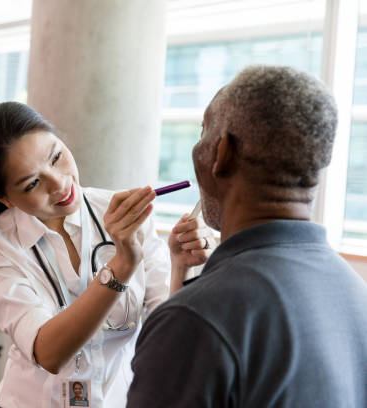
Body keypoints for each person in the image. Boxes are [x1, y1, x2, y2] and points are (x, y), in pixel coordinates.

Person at [127, 65, 367, 407]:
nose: (197, 147)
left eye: (203, 132)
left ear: (222, 153)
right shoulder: (354, 293)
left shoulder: (194, 320)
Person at [0, 101, 213, 407]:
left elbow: (170, 336)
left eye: (57, 157)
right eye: (33, 183)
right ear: (2, 198)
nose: (60, 184)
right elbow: (49, 352)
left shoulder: (124, 215)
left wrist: (182, 268)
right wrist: (122, 265)